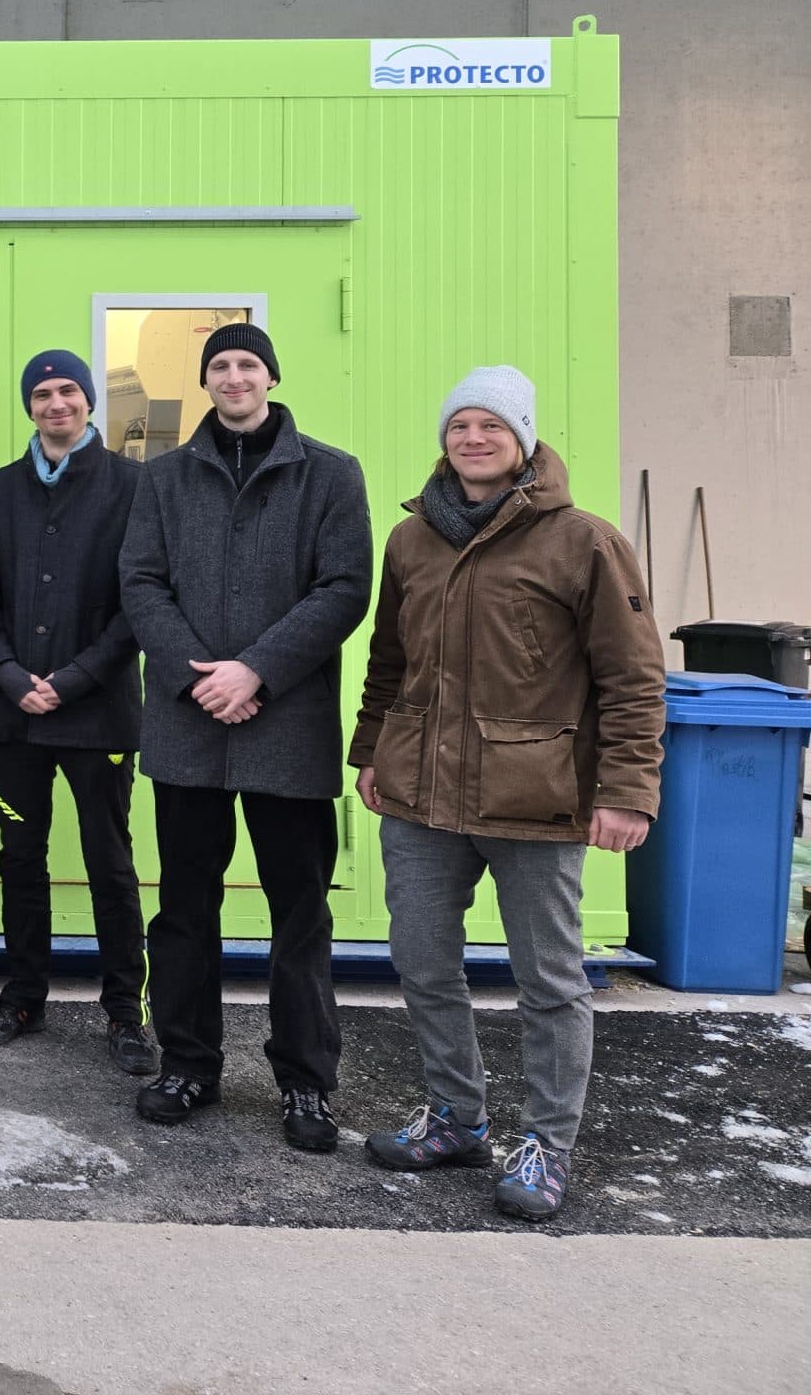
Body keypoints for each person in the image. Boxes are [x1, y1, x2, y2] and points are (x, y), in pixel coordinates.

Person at [353, 366, 663, 1222]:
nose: (474, 439)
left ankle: (546, 1146)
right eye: (460, 426)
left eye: (493, 426)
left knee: (550, 980)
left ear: (523, 440)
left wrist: (628, 790)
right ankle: (456, 1115)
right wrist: (372, 750)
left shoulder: (584, 542)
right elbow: (389, 660)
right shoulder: (411, 542)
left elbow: (633, 678)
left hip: (536, 794)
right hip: (419, 794)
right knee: (421, 960)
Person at [118, 323, 372, 1151]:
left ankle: (305, 1083)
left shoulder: (330, 473)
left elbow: (343, 588)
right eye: (221, 365)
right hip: (189, 729)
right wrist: (201, 677)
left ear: (271, 374)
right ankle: (188, 1064)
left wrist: (255, 670)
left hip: (286, 727)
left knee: (299, 912)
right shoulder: (162, 477)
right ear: (205, 379)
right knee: (185, 909)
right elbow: (141, 582)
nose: (235, 377)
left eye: (248, 364)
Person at [0, 350, 155, 1076]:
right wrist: (9, 674)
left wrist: (72, 680)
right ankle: (22, 995)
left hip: (98, 714)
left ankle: (125, 1013)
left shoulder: (133, 486)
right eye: (42, 393)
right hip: (14, 716)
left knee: (110, 863)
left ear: (88, 402)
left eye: (68, 391)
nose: (56, 404)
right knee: (20, 858)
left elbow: (139, 601)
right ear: (29, 405)